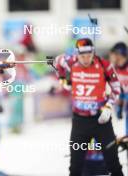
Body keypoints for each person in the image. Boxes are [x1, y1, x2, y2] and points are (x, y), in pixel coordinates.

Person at [55, 38, 123, 176]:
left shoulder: (105, 65)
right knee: (75, 167)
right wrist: (63, 79)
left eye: (89, 55)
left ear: (93, 53)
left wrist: (109, 107)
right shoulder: (70, 61)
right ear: (77, 54)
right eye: (82, 56)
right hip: (80, 122)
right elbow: (57, 61)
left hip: (101, 121)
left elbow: (116, 88)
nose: (86, 59)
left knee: (113, 164)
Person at [109, 42, 128, 134]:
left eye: (113, 54)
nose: (111, 56)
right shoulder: (113, 68)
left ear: (119, 55)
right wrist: (119, 106)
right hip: (123, 93)